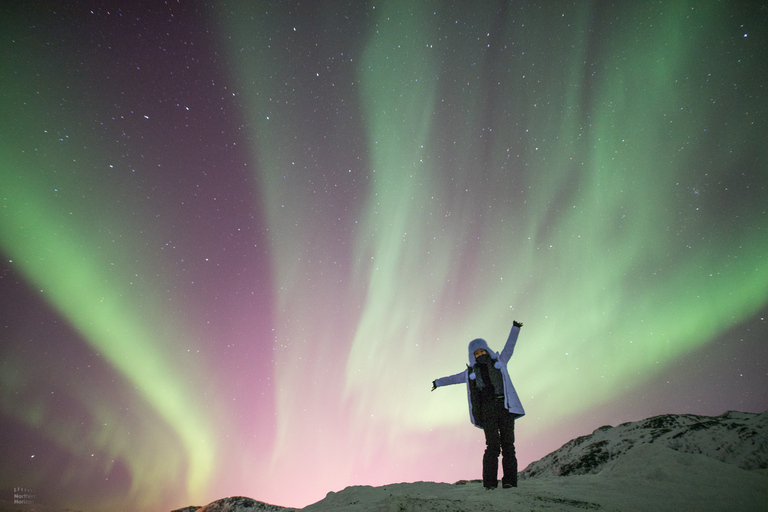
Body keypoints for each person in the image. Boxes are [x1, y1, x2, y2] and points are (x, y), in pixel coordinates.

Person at [432, 320, 525, 490]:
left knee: (508, 446)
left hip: (505, 407)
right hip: (487, 411)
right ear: (472, 356)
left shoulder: (500, 361)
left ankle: (510, 481)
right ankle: (489, 484)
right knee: (492, 446)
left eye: (482, 351)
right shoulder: (470, 373)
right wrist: (437, 382)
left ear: (487, 350)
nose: (480, 354)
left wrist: (515, 328)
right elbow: (453, 379)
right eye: (476, 353)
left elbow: (509, 347)